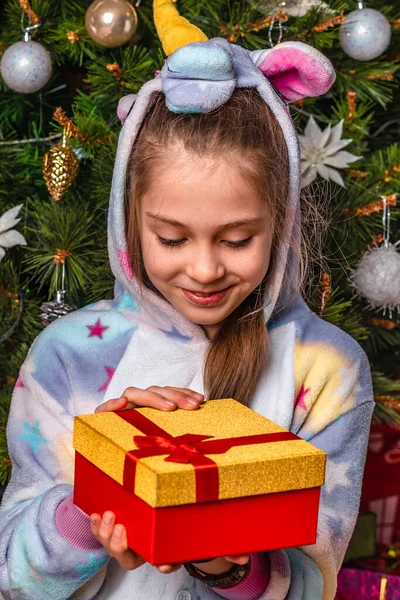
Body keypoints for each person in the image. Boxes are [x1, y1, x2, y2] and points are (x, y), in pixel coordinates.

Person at [0, 37, 374, 600]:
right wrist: (100, 486)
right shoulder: (69, 355)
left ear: (282, 221)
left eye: (238, 239)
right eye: (171, 238)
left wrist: (229, 565)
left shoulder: (325, 371)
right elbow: (10, 577)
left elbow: (311, 583)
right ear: (131, 223)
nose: (204, 269)